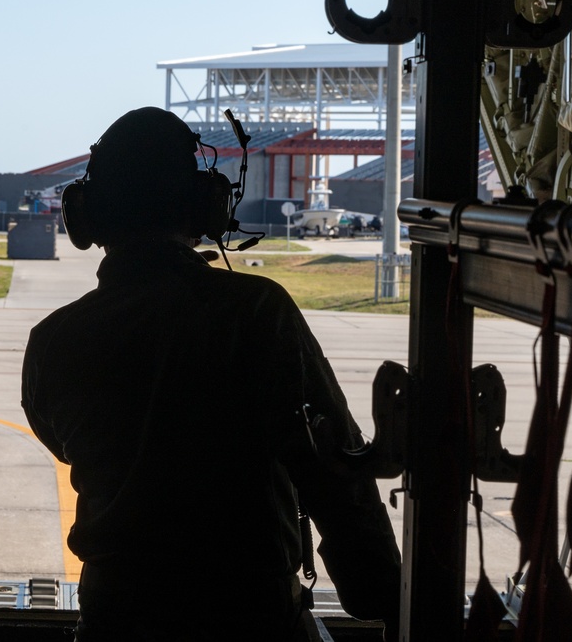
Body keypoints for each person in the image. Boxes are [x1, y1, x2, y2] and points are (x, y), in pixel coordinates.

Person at [21, 107, 401, 641]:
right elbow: (332, 467)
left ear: (87, 216)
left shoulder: (54, 339)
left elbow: (65, 444)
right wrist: (379, 593)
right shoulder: (257, 313)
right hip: (250, 619)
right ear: (207, 207)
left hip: (115, 620)